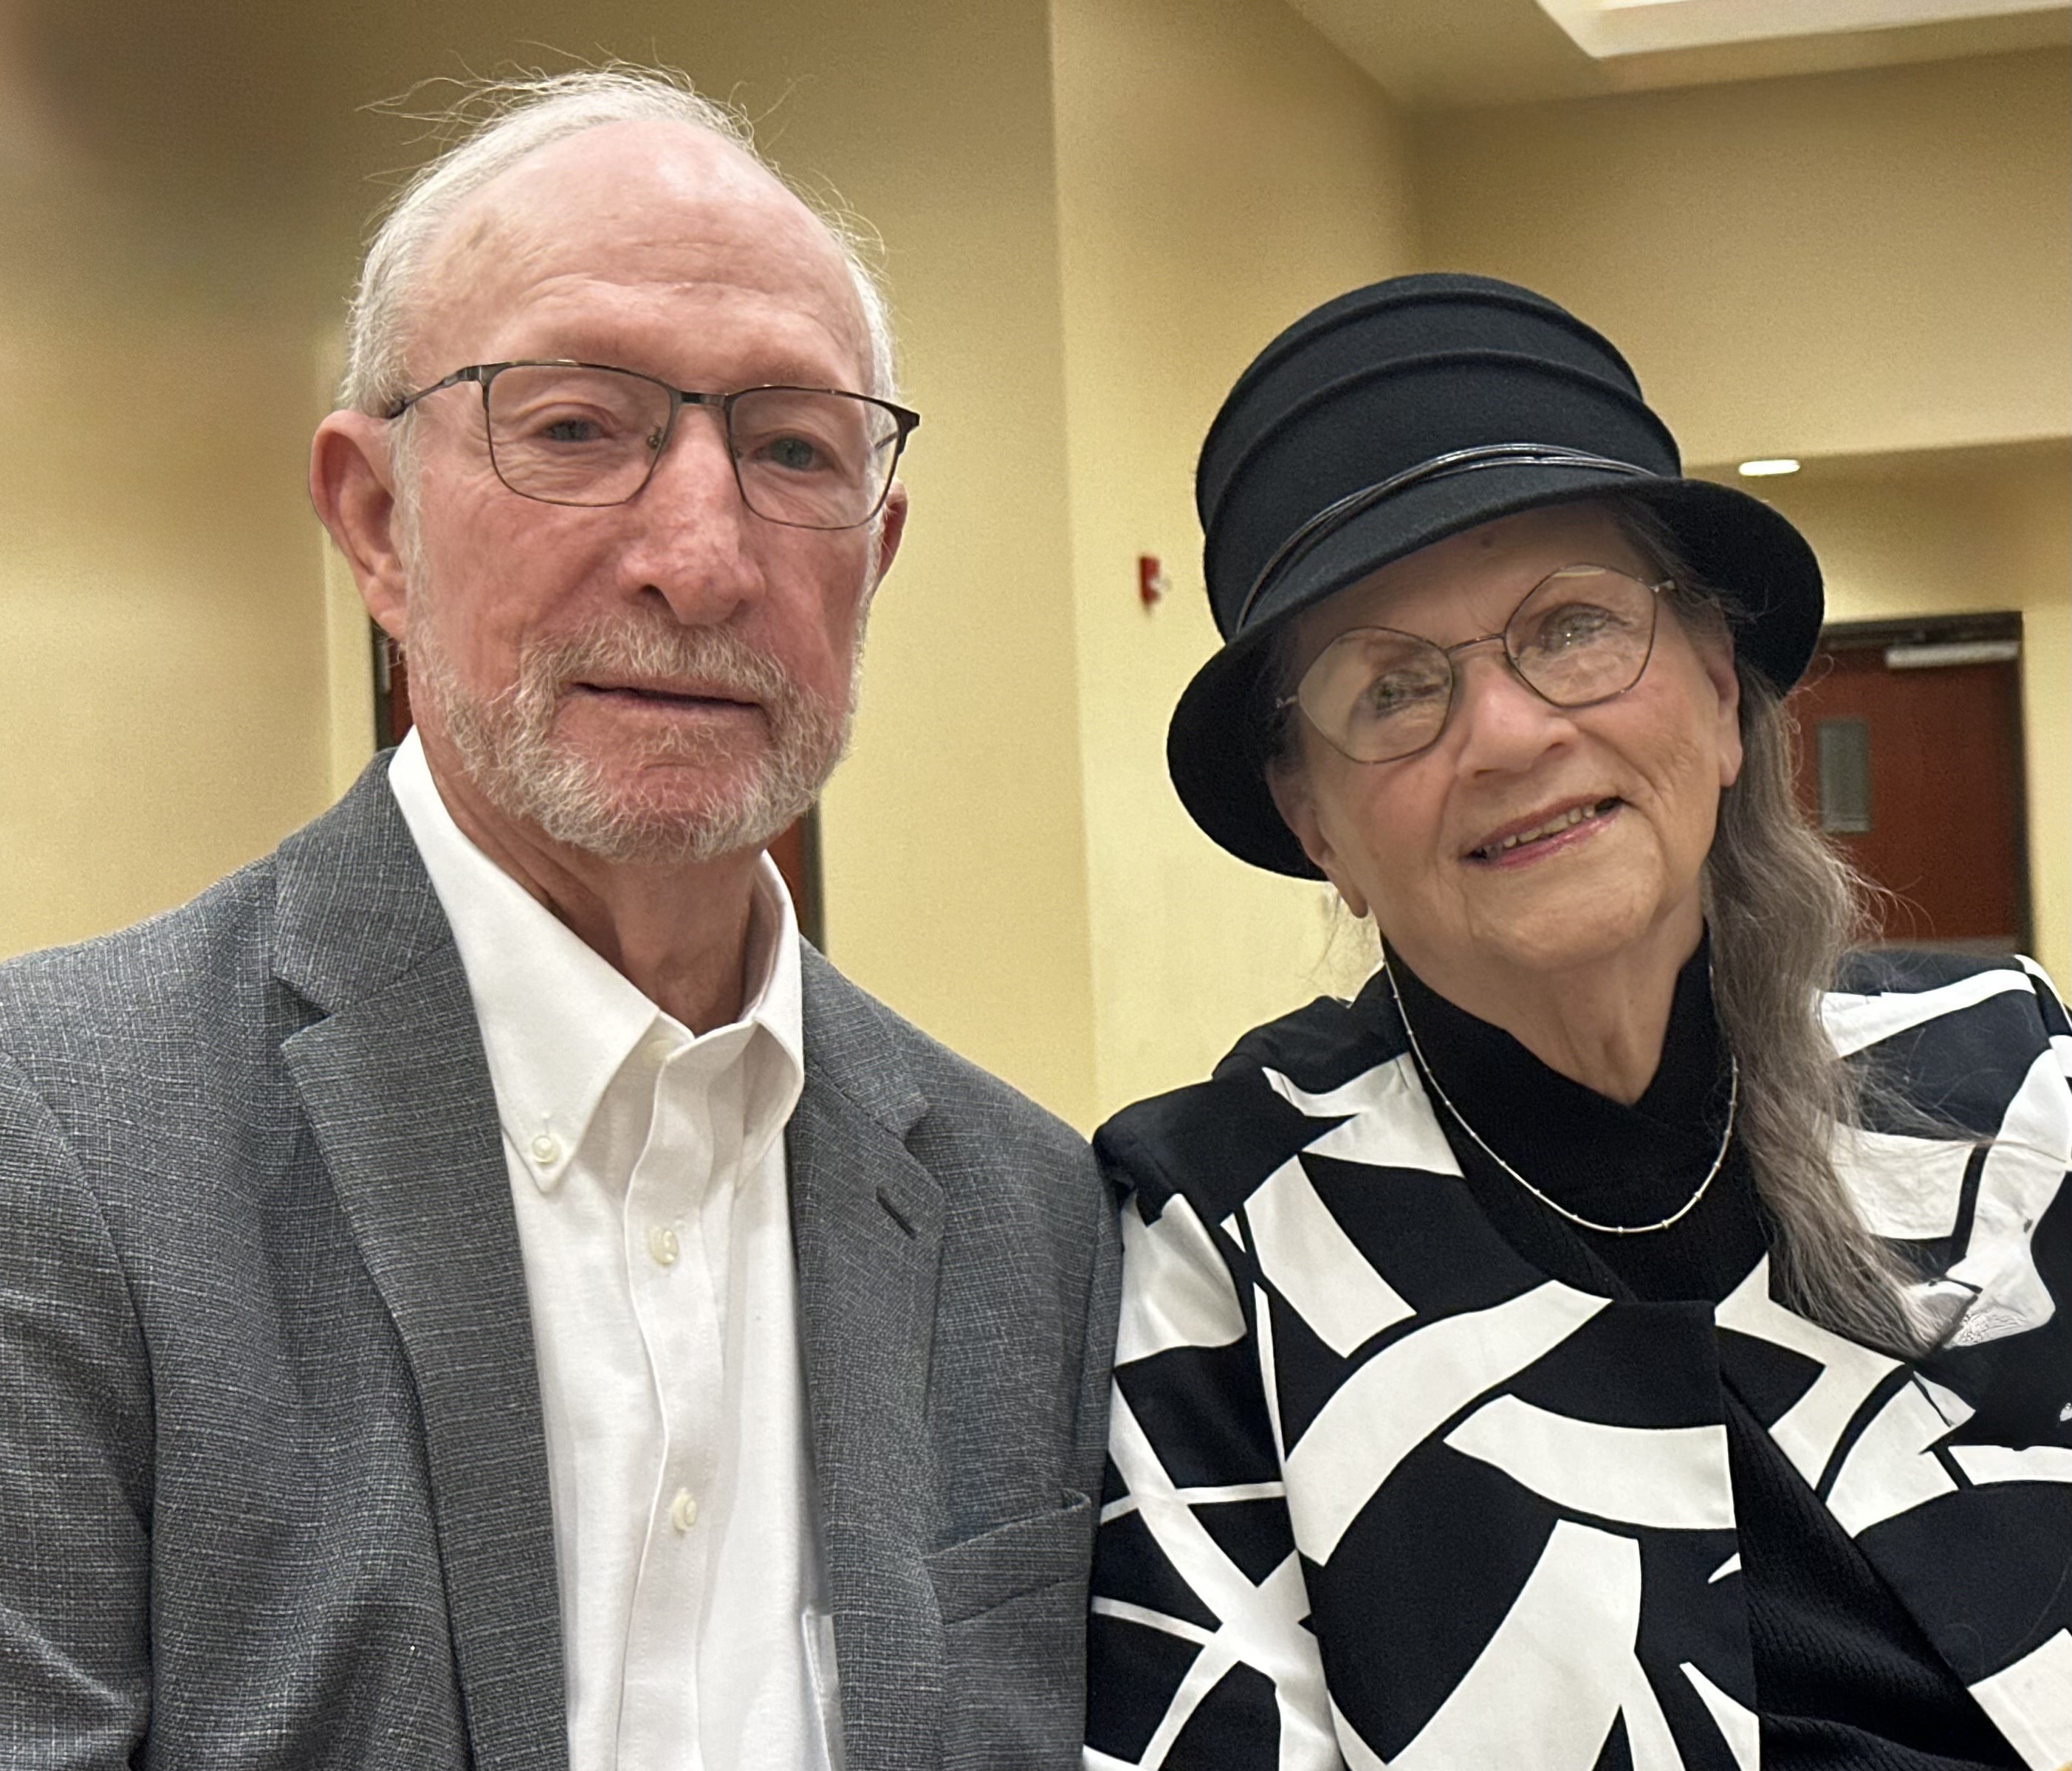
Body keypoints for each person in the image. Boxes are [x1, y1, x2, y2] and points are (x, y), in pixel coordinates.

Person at [0, 70, 1117, 1770]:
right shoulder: (63, 1138)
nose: (699, 556)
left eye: (792, 448)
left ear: (873, 555)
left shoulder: (1025, 1209)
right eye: (578, 427)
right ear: (377, 522)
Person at [1084, 275, 2070, 1770]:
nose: (1505, 735)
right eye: (1390, 688)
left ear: (1721, 697)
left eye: (1572, 628)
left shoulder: (2007, 1083)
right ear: (1313, 822)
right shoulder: (1214, 1242)